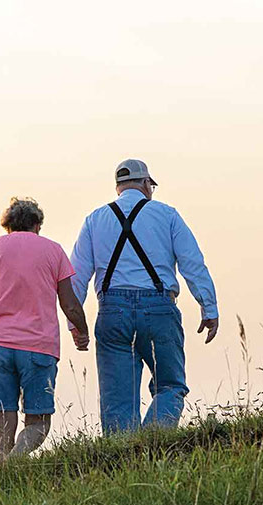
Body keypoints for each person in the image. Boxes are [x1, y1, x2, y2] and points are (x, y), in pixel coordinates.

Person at [70, 159, 219, 434]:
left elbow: (76, 276)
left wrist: (75, 324)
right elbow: (193, 263)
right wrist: (208, 307)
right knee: (170, 386)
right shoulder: (167, 215)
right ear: (146, 184)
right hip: (158, 308)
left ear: (118, 188)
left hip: (112, 311)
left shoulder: (94, 220)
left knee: (117, 403)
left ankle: (123, 463)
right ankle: (154, 443)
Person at [0, 198, 89, 459]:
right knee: (38, 423)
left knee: (1, 425)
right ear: (37, 225)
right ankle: (16, 463)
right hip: (38, 347)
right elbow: (69, 303)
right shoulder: (54, 251)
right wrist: (82, 332)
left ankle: (3, 477)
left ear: (7, 226)